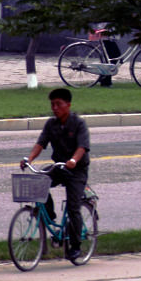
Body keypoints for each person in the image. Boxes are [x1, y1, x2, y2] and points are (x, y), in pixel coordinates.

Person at [21, 88, 90, 260]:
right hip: (59, 167)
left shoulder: (79, 124)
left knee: (74, 208)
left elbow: (82, 147)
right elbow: (40, 144)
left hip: (76, 170)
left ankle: (75, 246)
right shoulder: (51, 124)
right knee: (39, 180)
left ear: (68, 105)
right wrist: (29, 159)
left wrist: (73, 160)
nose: (55, 108)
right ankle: (50, 215)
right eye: (52, 104)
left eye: (58, 104)